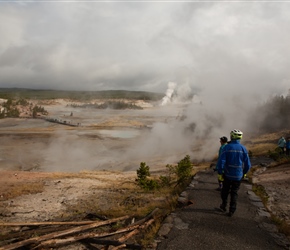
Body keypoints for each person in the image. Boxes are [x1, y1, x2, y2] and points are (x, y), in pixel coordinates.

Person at [217, 129, 251, 217]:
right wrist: (244, 173)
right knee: (234, 192)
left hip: (228, 174)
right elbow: (247, 164)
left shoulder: (227, 147)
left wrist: (220, 172)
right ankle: (232, 210)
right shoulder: (243, 148)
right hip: (238, 175)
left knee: (225, 191)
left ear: (231, 137)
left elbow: (221, 161)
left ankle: (223, 205)